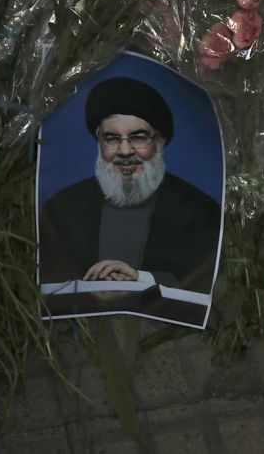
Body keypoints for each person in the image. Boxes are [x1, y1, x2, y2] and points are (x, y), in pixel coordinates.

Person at [38, 77, 221, 321]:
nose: (125, 151)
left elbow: (207, 288)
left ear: (160, 142)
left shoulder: (202, 212)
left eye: (138, 137)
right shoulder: (62, 207)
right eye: (112, 138)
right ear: (99, 142)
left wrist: (142, 280)